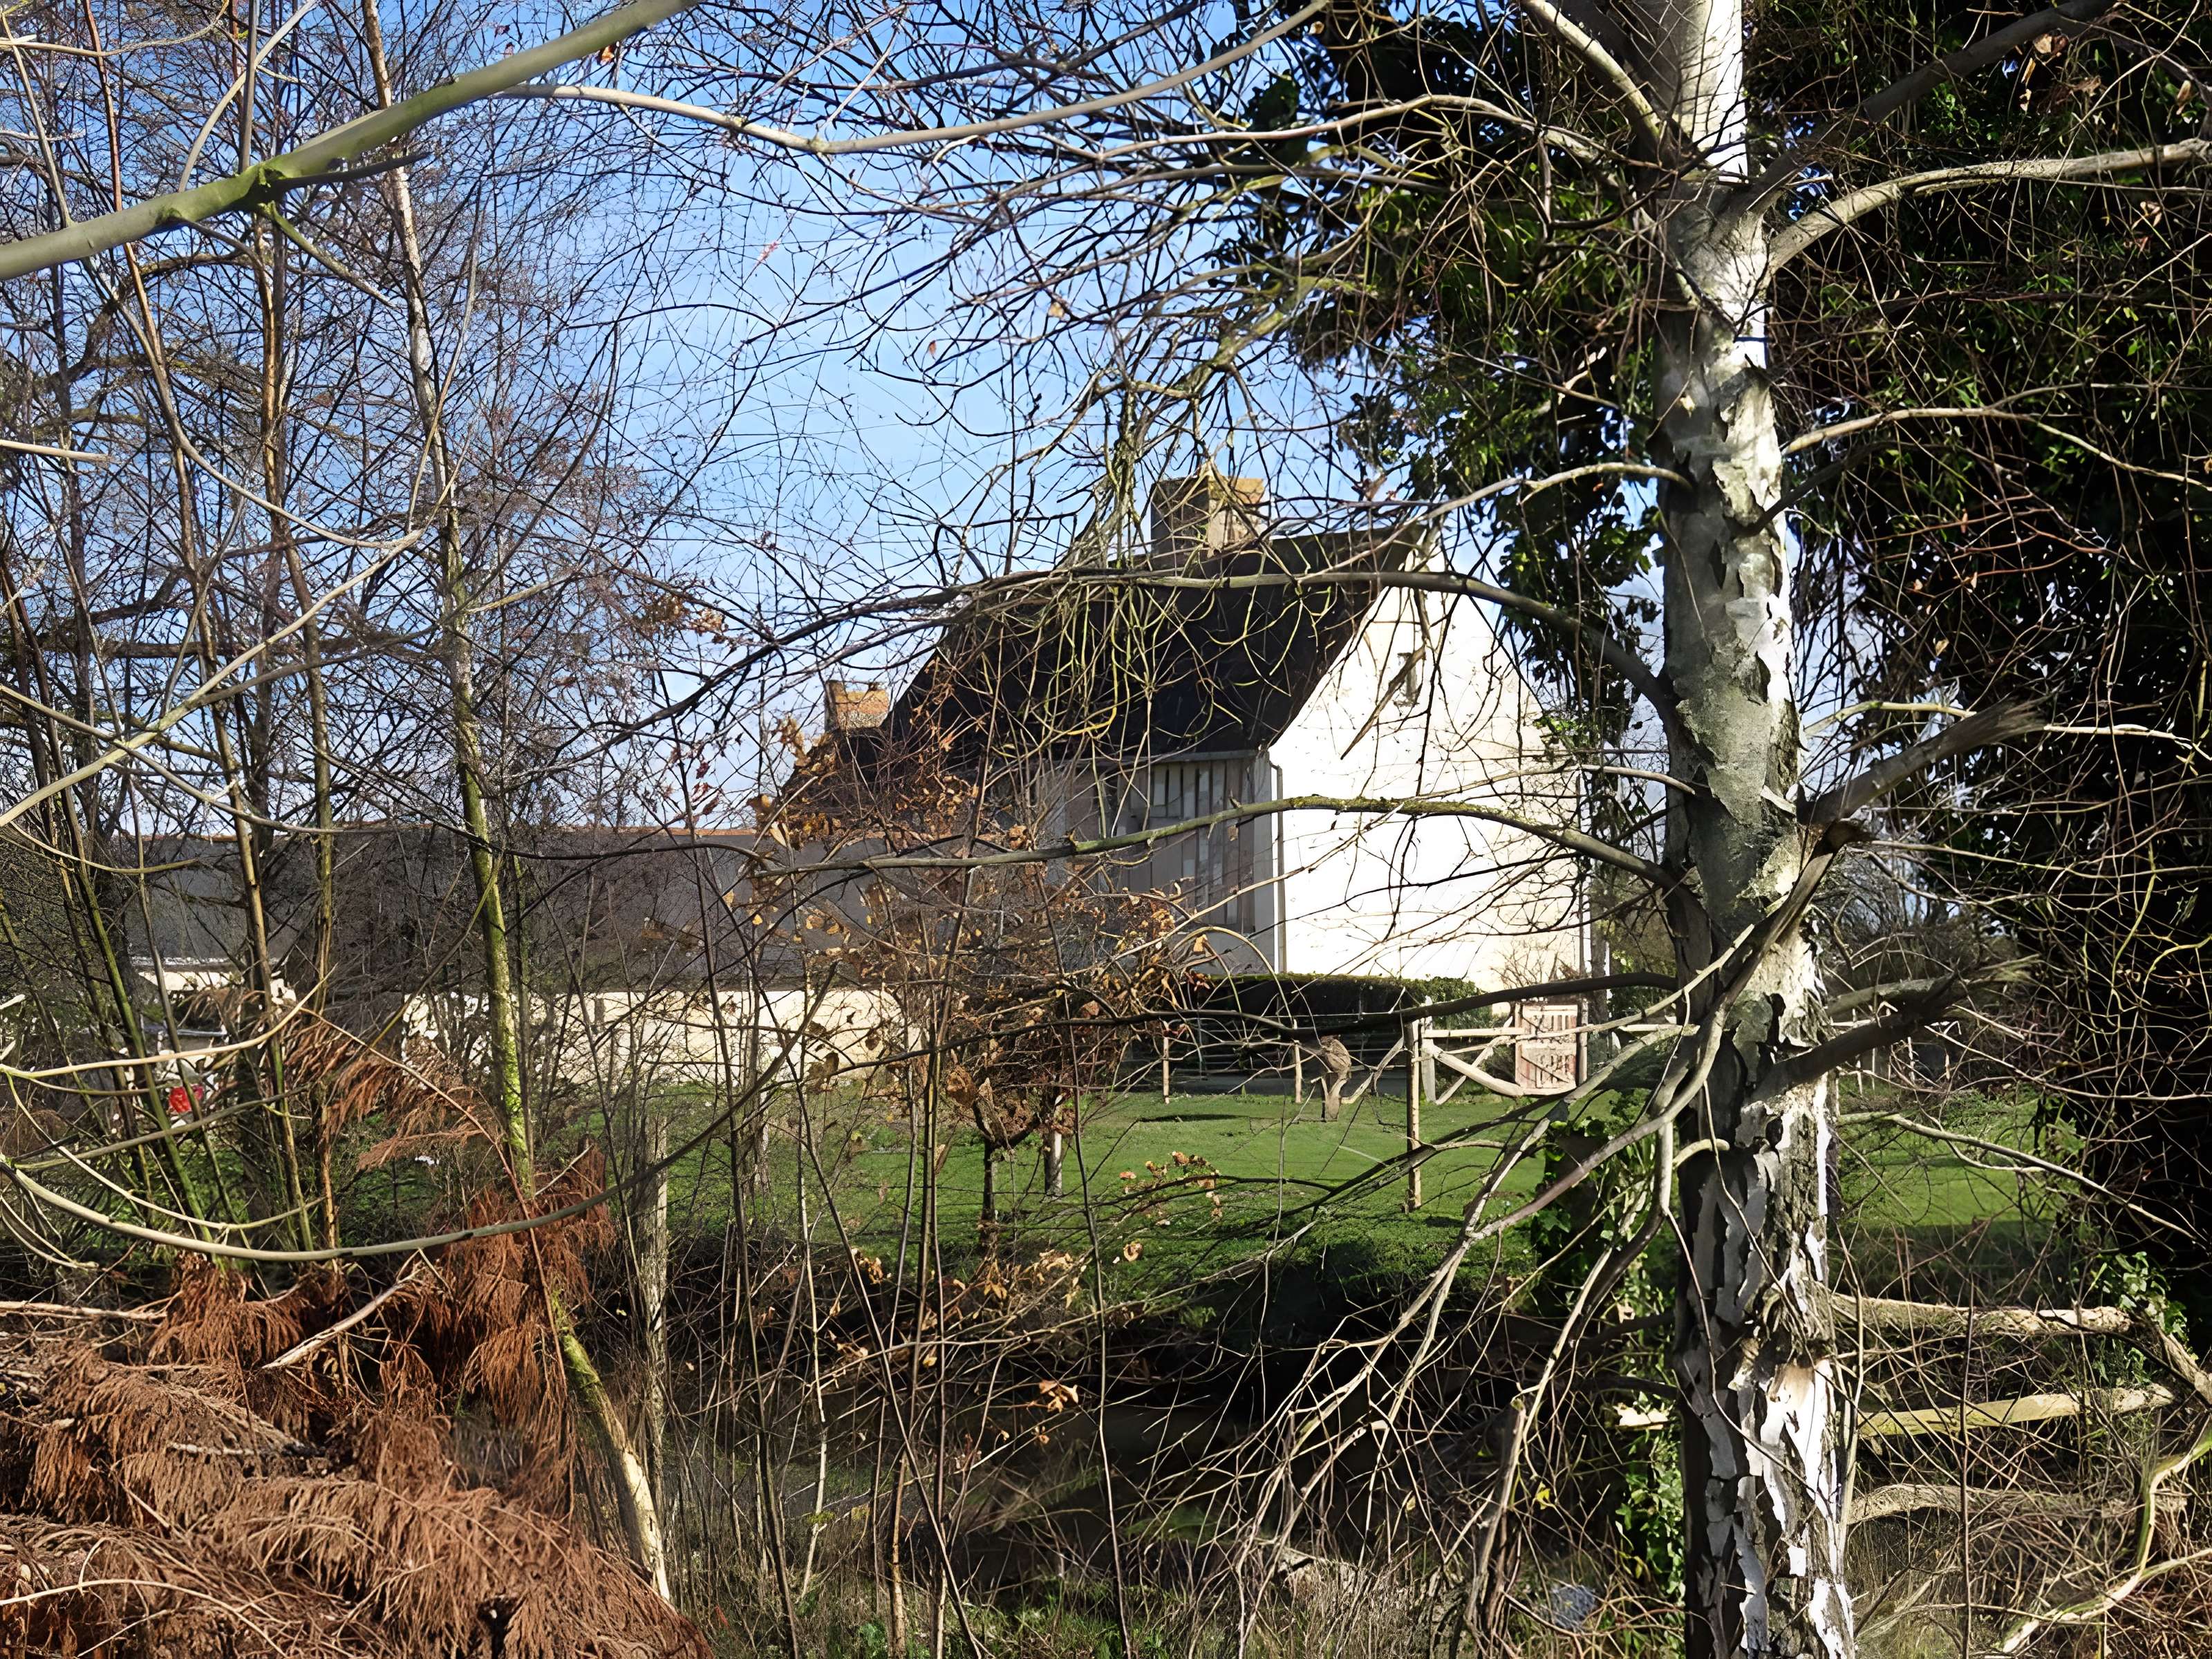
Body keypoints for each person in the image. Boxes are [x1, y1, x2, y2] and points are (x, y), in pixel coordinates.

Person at [1315, 1034, 1353, 1123]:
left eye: (1324, 1043)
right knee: (1332, 1093)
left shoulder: (1334, 1043)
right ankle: (1331, 1116)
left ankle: (1332, 1115)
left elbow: (1328, 1050)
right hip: (1338, 1070)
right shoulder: (1333, 1045)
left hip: (1342, 1066)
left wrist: (1324, 1050)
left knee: (1333, 1094)